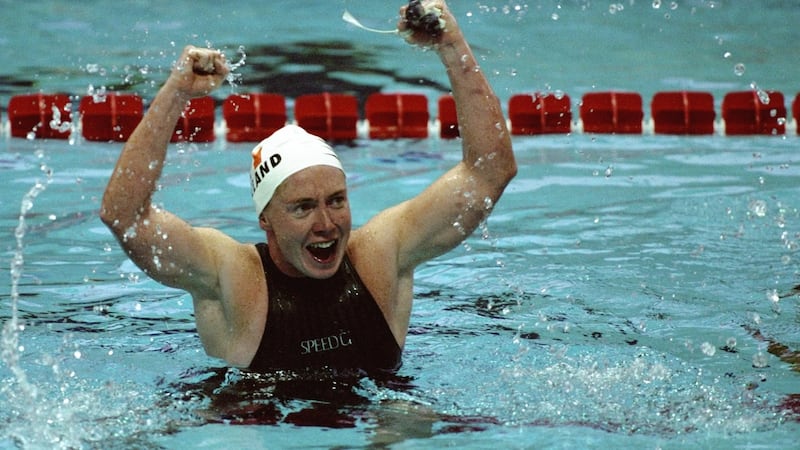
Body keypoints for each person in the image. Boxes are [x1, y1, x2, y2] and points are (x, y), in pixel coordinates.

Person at [100, 0, 516, 374]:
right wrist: (176, 93)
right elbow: (125, 216)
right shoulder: (234, 278)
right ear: (266, 219)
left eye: (336, 201)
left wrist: (452, 47)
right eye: (302, 207)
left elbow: (489, 173)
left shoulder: (380, 256)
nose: (326, 224)